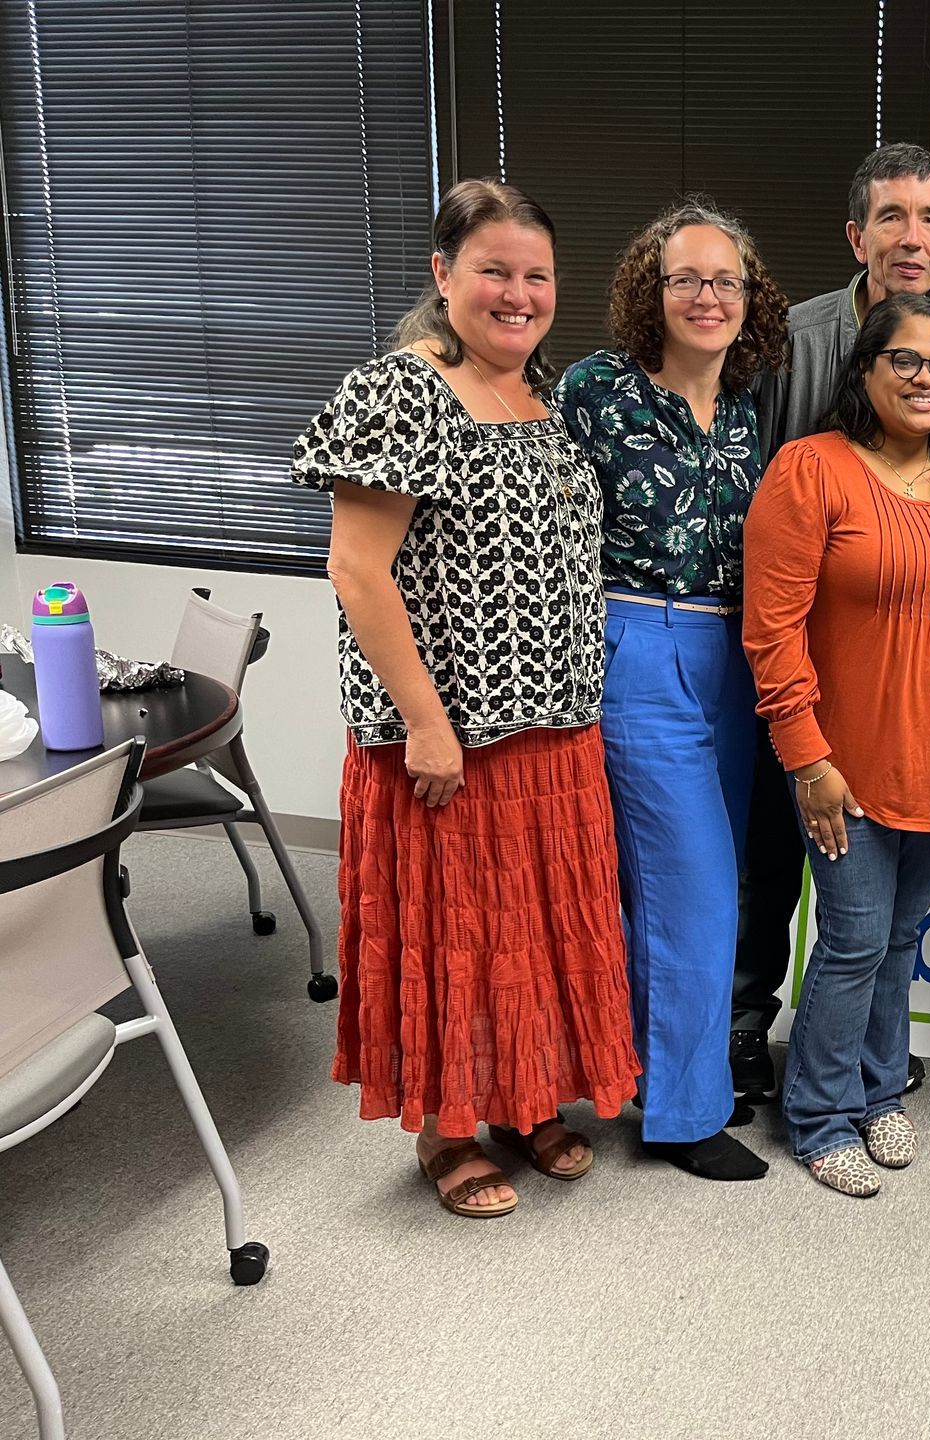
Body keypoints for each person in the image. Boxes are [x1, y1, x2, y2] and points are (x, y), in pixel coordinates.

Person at [292, 179, 639, 1219]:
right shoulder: (405, 390)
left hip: (550, 731)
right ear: (444, 276)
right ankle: (448, 1133)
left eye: (535, 277)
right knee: (458, 930)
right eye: (494, 271)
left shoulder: (539, 398)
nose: (518, 294)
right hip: (452, 739)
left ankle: (525, 1102)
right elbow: (358, 570)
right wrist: (428, 722)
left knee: (524, 934)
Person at [731, 141, 930, 1103]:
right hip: (791, 656)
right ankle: (746, 1034)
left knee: (880, 923)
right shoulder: (786, 338)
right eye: (891, 216)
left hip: (902, 682)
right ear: (856, 234)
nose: (912, 236)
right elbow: (743, 467)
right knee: (767, 866)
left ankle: (866, 1067)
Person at [554, 199, 790, 1182]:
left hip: (732, 653)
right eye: (684, 278)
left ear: (749, 299)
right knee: (690, 891)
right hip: (634, 641)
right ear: (651, 293)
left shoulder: (744, 406)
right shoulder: (596, 389)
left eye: (723, 280)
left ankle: (648, 1072)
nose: (705, 296)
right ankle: (687, 1113)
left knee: (686, 884)